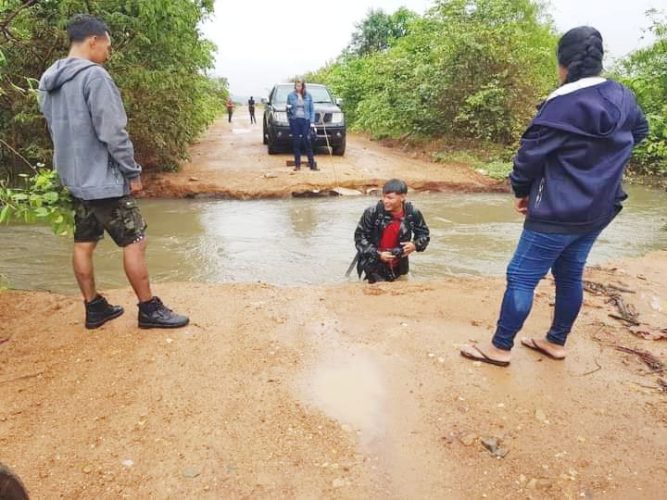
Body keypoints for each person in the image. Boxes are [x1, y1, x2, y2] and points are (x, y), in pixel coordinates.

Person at [460, 26, 649, 367]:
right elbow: (640, 132)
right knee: (570, 273)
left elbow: (529, 157)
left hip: (556, 210)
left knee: (521, 275)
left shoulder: (560, 104)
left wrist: (520, 192)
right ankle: (555, 341)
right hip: (600, 207)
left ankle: (500, 348)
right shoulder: (622, 95)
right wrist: (604, 167)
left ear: (563, 62)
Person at [38, 14, 189, 330]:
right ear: (93, 40)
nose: (108, 52)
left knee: (84, 242)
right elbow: (113, 132)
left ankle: (94, 307)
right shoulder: (95, 77)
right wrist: (131, 171)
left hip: (74, 178)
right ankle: (149, 309)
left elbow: (53, 127)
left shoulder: (48, 79)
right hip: (104, 179)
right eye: (107, 45)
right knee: (135, 240)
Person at [354, 179, 430, 283]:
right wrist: (378, 254)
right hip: (374, 265)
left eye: (390, 198)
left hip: (400, 266)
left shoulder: (413, 213)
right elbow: (359, 238)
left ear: (402, 197)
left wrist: (415, 245)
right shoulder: (372, 212)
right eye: (384, 196)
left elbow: (424, 235)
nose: (385, 201)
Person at [286, 79, 317, 171]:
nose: (298, 87)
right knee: (296, 142)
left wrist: (312, 122)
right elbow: (287, 109)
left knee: (306, 140)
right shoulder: (290, 96)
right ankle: (297, 165)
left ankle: (312, 164)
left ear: (303, 86)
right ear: (294, 86)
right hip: (295, 120)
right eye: (297, 86)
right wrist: (290, 118)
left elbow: (312, 110)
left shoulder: (308, 95)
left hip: (305, 120)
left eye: (300, 86)